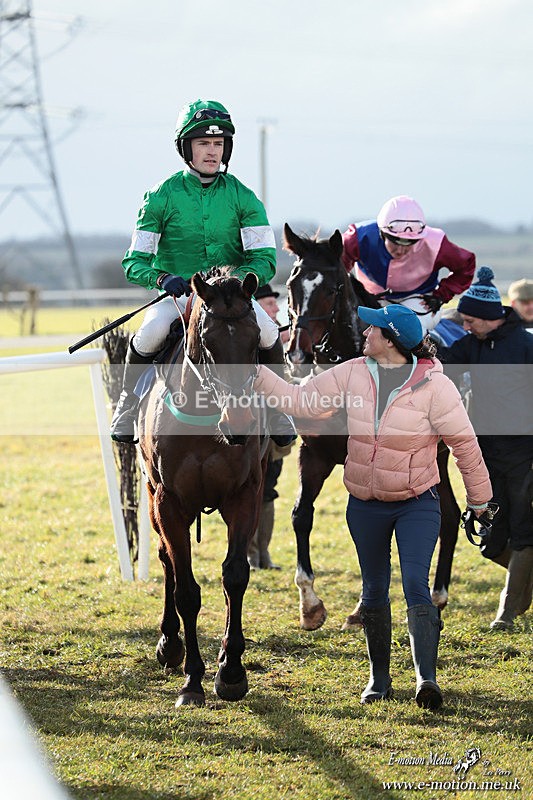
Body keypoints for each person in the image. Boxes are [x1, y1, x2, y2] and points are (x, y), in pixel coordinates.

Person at [254, 304, 491, 709]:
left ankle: (426, 679)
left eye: (374, 329)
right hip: (365, 505)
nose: (365, 332)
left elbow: (464, 445)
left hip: (417, 503)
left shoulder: (436, 386)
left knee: (415, 584)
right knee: (374, 589)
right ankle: (379, 680)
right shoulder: (352, 371)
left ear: (392, 340)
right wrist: (254, 371)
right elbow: (300, 400)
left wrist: (480, 500)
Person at [110, 98, 294, 446]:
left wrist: (237, 283)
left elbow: (265, 258)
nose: (212, 151)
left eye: (218, 143)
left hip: (233, 299)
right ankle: (128, 404)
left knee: (269, 332)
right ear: (186, 148)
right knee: (151, 333)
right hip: (179, 299)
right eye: (203, 143)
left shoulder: (244, 197)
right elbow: (134, 262)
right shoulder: (160, 196)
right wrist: (161, 279)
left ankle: (278, 409)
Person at [437, 266, 533, 630]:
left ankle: (506, 613)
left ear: (488, 318)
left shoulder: (526, 346)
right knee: (490, 540)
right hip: (486, 456)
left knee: (524, 532)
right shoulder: (471, 345)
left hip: (524, 454)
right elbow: (440, 368)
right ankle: (524, 581)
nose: (464, 326)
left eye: (469, 320)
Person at [342, 195, 476, 332]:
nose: (401, 250)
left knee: (406, 331)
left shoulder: (436, 242)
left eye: (409, 242)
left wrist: (440, 296)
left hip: (418, 299)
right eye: (395, 241)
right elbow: (336, 266)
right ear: (382, 233)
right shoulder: (357, 237)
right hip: (369, 298)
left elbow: (466, 265)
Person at [248, 283, 294, 569]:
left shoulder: (280, 337)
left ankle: (262, 554)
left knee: (268, 491)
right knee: (249, 492)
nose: (276, 308)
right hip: (249, 427)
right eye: (269, 303)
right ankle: (250, 555)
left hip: (273, 433)